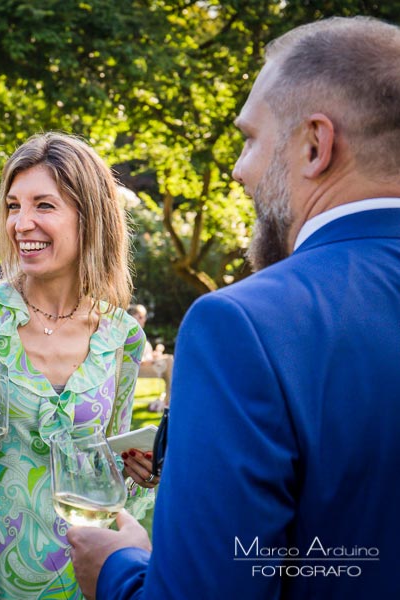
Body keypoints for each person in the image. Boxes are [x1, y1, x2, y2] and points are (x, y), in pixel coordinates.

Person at [67, 15, 400, 599]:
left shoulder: (245, 326)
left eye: (250, 138)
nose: (238, 170)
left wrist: (119, 570)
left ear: (316, 145)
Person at [0, 132, 156, 599]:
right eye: (12, 206)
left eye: (44, 205)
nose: (21, 223)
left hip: (86, 571)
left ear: (90, 216)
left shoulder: (122, 335)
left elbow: (109, 468)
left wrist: (136, 469)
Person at [126, 304, 173, 411]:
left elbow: (147, 355)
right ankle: (168, 401)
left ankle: (167, 399)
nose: (144, 319)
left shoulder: (139, 333)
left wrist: (156, 354)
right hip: (138, 368)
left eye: (144, 316)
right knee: (169, 361)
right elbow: (137, 359)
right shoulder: (131, 334)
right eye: (140, 317)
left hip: (148, 364)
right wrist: (153, 360)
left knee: (169, 359)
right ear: (132, 317)